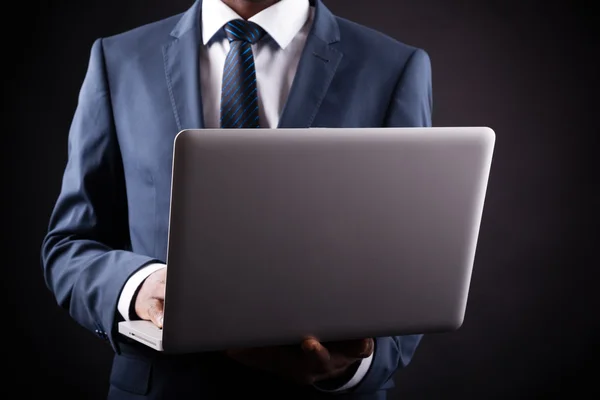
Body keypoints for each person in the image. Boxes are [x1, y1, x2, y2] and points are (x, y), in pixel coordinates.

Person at [41, 0, 432, 399]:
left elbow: (416, 267)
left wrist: (352, 364)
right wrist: (141, 287)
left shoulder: (393, 67)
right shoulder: (118, 59)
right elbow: (70, 245)